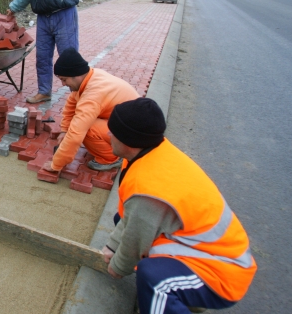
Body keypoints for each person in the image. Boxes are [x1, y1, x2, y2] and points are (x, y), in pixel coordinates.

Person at [101, 98, 256, 313]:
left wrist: (118, 267)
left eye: (113, 131)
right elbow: (129, 218)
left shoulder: (149, 189)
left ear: (127, 140)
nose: (109, 135)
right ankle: (186, 298)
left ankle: (175, 294)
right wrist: (111, 246)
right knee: (121, 219)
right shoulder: (148, 153)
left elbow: (135, 239)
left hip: (225, 272)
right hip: (202, 248)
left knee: (155, 280)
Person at [40, 48, 139, 173]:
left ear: (76, 75)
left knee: (87, 128)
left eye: (64, 79)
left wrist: (56, 164)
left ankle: (111, 159)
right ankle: (108, 146)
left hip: (132, 136)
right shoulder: (90, 76)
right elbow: (71, 104)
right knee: (78, 124)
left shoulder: (93, 94)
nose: (63, 84)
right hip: (127, 124)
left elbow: (76, 134)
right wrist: (64, 131)